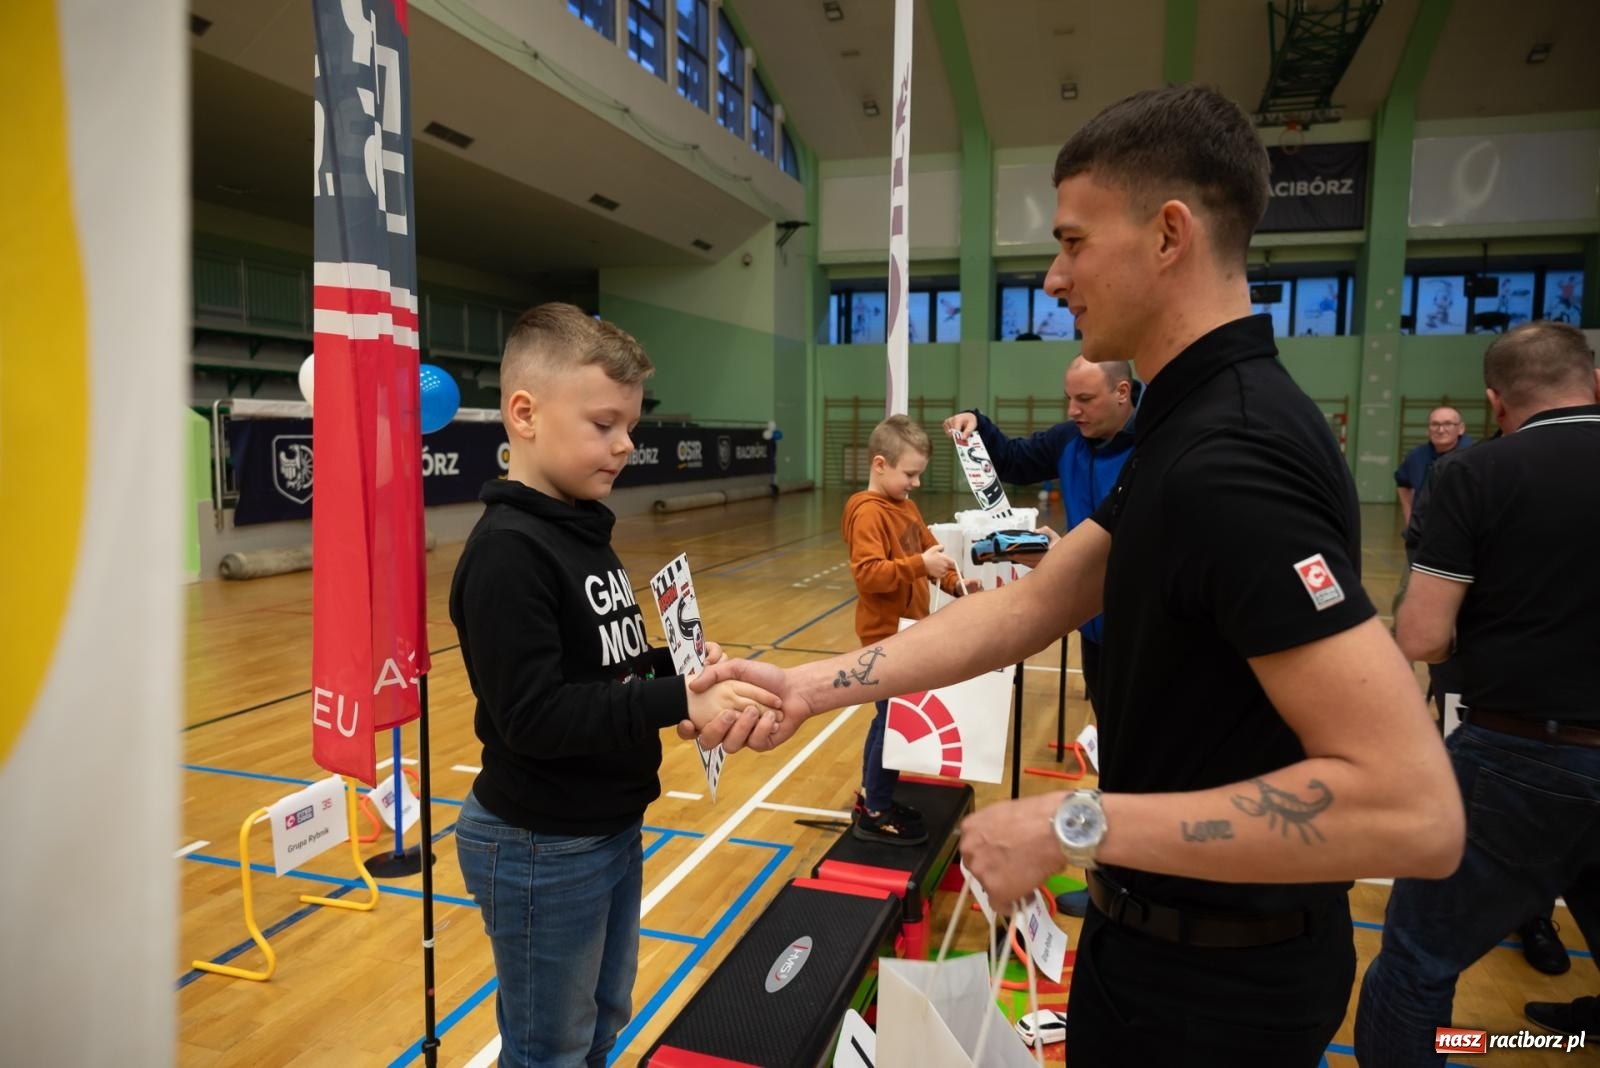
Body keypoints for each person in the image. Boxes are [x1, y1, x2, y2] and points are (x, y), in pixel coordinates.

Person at [691, 84, 1463, 1067]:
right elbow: (1036, 605)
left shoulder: (1232, 456)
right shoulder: (1184, 431)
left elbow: (1412, 812)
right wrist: (802, 686)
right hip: (1151, 954)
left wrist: (1069, 822)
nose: (1053, 279)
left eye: (1071, 241)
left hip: (1214, 998)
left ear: (1169, 234)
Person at [447, 303, 779, 1068]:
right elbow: (535, 716)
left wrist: (678, 670)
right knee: (549, 1049)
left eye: (630, 424)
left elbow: (605, 665)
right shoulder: (508, 553)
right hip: (540, 844)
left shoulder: (580, 530)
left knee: (599, 1026)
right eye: (604, 424)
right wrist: (676, 702)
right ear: (524, 414)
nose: (625, 444)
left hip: (604, 825)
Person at [1355, 321, 1600, 1065]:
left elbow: (1423, 637)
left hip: (1518, 751)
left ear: (1494, 403)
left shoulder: (1479, 474)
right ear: (1593, 382)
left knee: (1417, 965)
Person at [943, 356, 1139, 713]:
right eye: (1069, 398)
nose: (1073, 410)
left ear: (1122, 392)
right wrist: (978, 426)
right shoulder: (1069, 439)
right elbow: (1015, 460)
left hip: (1143, 627)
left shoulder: (1155, 443)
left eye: (1085, 399)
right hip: (1092, 624)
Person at [844, 414, 981, 844]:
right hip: (883, 636)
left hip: (909, 631)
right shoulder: (866, 511)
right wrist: (920, 566)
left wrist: (957, 584)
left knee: (888, 719)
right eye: (910, 474)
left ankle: (874, 798)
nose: (916, 483)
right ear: (880, 464)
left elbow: (931, 554)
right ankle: (877, 809)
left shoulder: (906, 507)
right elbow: (869, 575)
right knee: (892, 721)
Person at [1394, 406, 1472, 529]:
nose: (1441, 430)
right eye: (1435, 424)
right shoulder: (1416, 456)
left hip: (1460, 532)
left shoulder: (1474, 456)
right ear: (1428, 429)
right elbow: (1402, 482)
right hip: (1421, 533)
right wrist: (1409, 518)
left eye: (1448, 424)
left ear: (1461, 428)